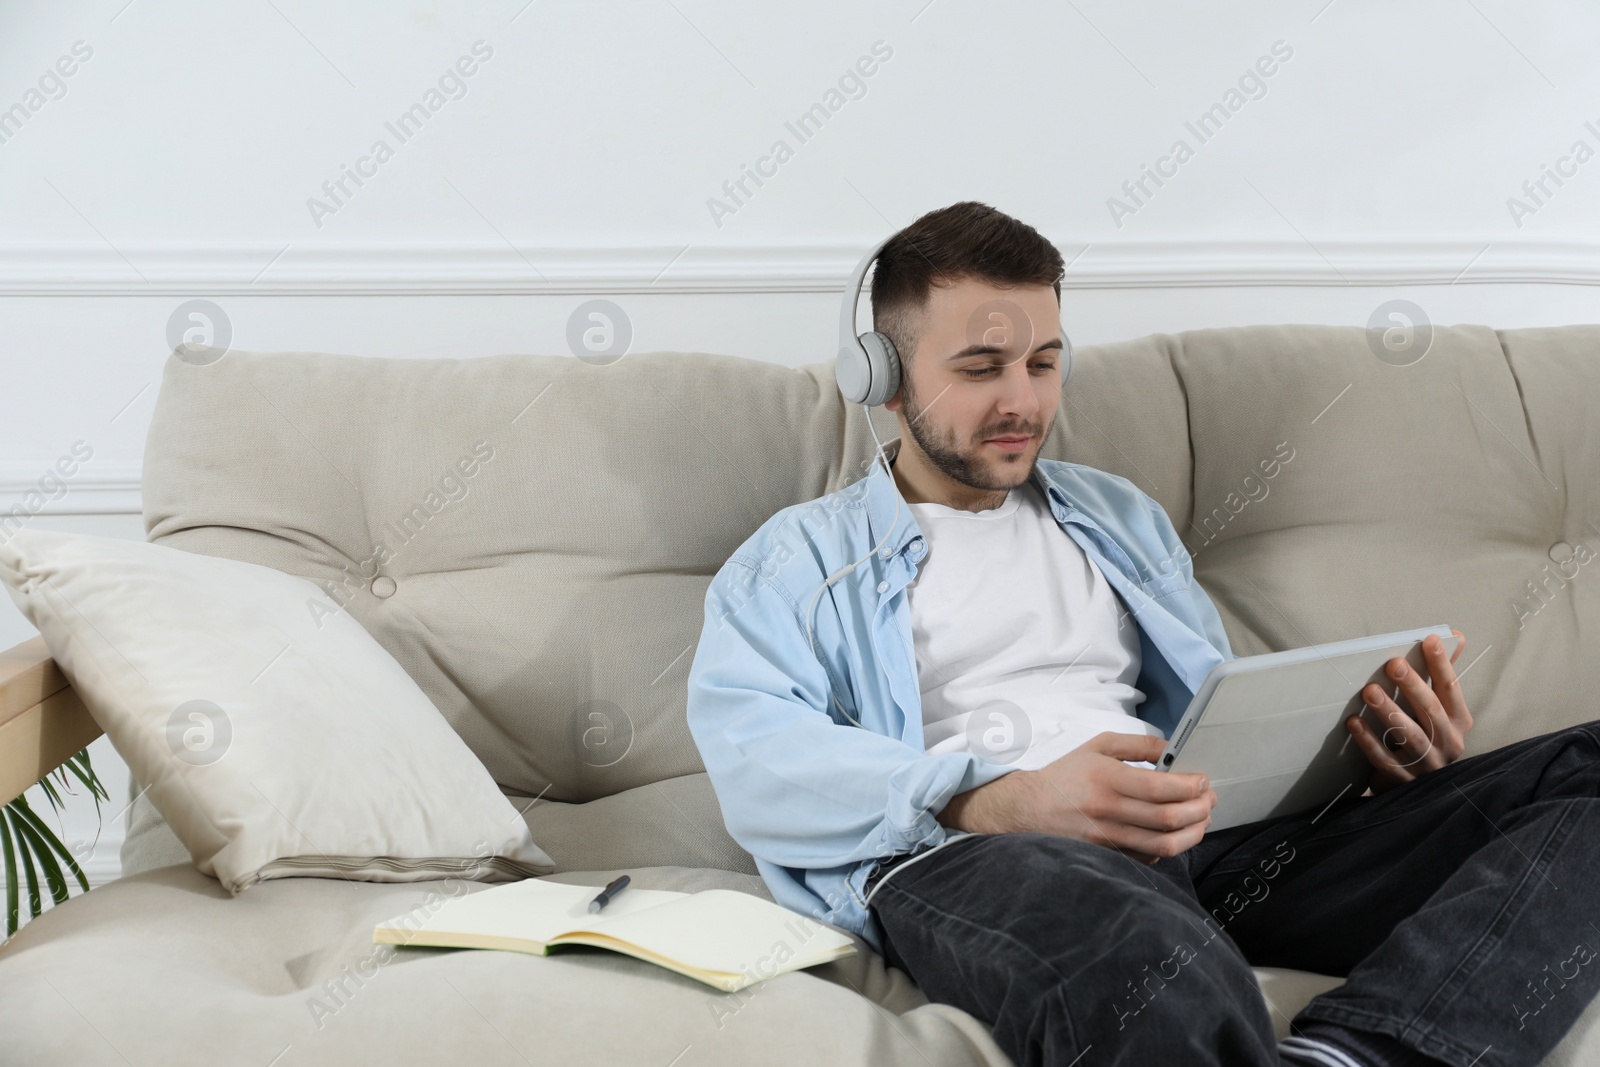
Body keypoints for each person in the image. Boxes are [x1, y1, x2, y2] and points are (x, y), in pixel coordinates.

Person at [685, 201, 1600, 1067]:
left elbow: (1213, 715)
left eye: (1044, 362)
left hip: (1200, 831)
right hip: (986, 853)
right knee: (1139, 956)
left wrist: (1369, 763)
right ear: (880, 377)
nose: (1023, 401)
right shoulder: (799, 561)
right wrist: (994, 798)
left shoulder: (1115, 516)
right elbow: (761, 765)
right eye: (980, 367)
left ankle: (1357, 1051)